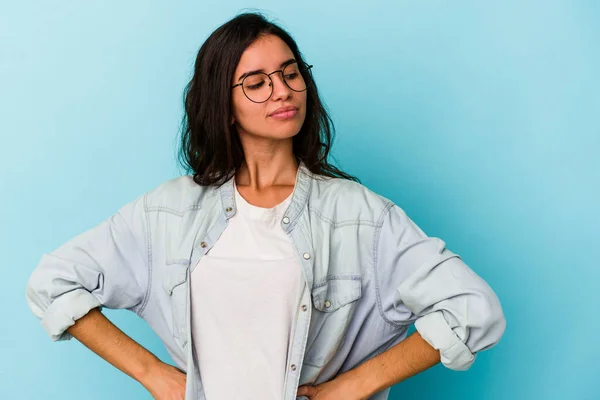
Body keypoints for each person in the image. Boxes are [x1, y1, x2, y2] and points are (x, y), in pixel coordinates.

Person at [25, 12, 506, 400]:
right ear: (222, 103)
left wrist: (355, 386)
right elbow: (54, 283)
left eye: (290, 72)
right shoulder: (167, 212)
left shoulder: (360, 215)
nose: (282, 90)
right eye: (256, 81)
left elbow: (472, 309)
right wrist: (155, 375)